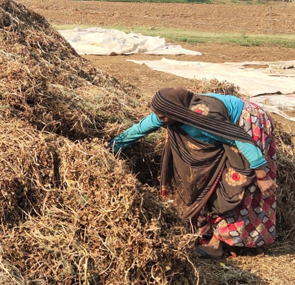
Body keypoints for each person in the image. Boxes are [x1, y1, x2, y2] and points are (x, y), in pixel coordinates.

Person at [110, 88, 279, 258]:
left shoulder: (203, 117)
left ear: (177, 111)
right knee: (208, 179)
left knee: (234, 182)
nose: (160, 121)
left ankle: (218, 245)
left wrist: (262, 175)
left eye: (163, 117)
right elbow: (140, 129)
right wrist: (112, 147)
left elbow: (239, 139)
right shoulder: (170, 111)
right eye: (159, 116)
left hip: (246, 125)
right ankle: (208, 232)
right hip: (225, 128)